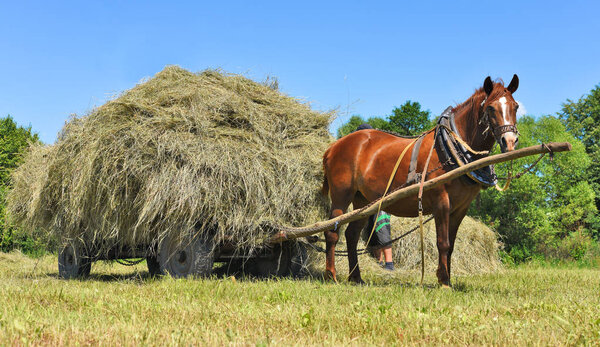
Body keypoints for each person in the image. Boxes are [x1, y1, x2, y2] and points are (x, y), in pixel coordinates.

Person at [355, 123, 395, 271]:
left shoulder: (379, 151)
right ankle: (378, 261)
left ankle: (389, 263)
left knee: (382, 225)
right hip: (367, 197)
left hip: (382, 195)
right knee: (370, 227)